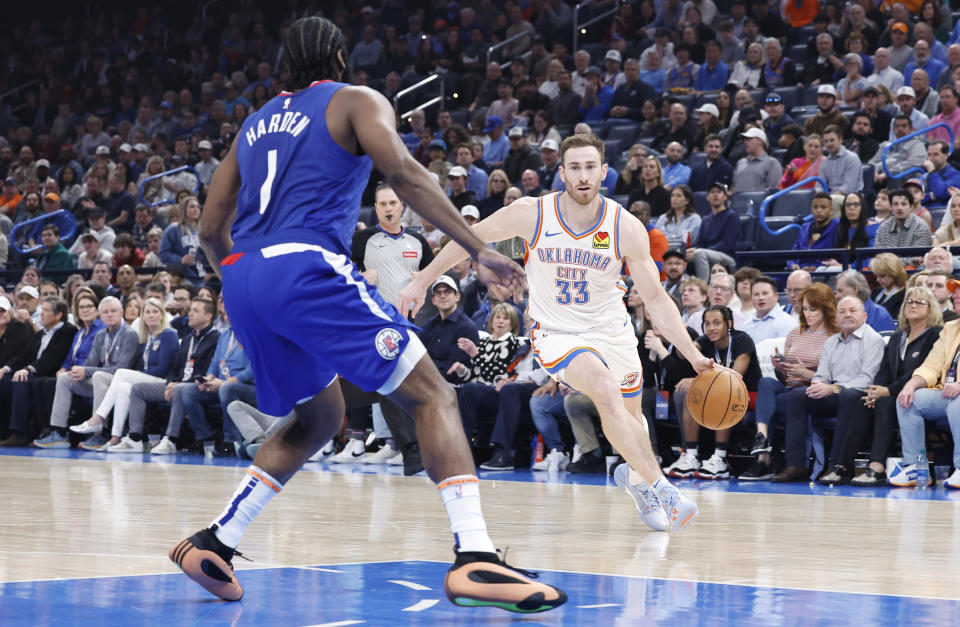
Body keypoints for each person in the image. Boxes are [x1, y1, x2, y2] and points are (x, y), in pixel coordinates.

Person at [183, 17, 565, 612]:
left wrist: (236, 279)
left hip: (244, 274)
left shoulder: (253, 124)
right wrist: (476, 247)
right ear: (339, 59)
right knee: (433, 395)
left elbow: (209, 228)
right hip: (304, 264)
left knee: (318, 418)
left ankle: (215, 540)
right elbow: (405, 175)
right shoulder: (355, 100)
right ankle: (476, 558)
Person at [401, 133, 724, 536]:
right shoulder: (532, 213)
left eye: (591, 167)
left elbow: (657, 300)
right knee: (603, 388)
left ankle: (638, 482)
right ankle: (664, 490)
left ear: (604, 172)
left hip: (612, 329)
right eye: (575, 167)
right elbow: (471, 237)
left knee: (633, 422)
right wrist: (422, 279)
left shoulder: (625, 227)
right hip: (558, 332)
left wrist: (692, 355)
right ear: (562, 173)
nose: (583, 176)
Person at [822, 286, 942, 485]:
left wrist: (886, 391)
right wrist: (874, 391)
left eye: (919, 302)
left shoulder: (935, 334)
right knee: (864, 400)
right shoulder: (898, 337)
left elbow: (923, 370)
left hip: (921, 392)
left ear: (931, 309)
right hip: (891, 393)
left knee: (885, 401)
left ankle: (877, 466)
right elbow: (884, 370)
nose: (912, 305)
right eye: (909, 301)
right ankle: (842, 466)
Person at [772, 296, 885, 482]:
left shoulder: (874, 340)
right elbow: (821, 373)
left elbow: (867, 379)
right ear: (837, 318)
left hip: (859, 395)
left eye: (852, 310)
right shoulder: (831, 342)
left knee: (848, 395)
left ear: (864, 316)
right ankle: (795, 464)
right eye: (842, 311)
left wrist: (833, 388)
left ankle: (837, 466)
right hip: (832, 392)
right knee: (797, 395)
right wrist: (818, 384)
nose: (847, 315)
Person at [68, 297, 178, 450]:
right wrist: (136, 375)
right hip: (148, 381)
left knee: (121, 373)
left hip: (164, 382)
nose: (151, 315)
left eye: (155, 311)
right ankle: (118, 438)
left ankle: (97, 418)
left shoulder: (168, 335)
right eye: (147, 312)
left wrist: (136, 374)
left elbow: (163, 369)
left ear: (162, 315)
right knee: (124, 387)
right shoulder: (147, 338)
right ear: (143, 316)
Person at [663, 306, 761, 479]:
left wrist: (696, 380)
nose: (711, 328)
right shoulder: (704, 340)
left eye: (716, 323)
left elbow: (735, 378)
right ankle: (691, 454)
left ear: (729, 324)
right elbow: (681, 354)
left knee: (725, 395)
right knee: (688, 393)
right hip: (705, 391)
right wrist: (682, 336)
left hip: (747, 393)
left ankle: (720, 458)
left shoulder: (742, 340)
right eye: (707, 324)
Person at [893, 303, 960, 488]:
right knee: (908, 400)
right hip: (945, 392)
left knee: (958, 401)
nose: (957, 297)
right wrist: (911, 385)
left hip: (957, 395)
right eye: (956, 295)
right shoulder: (951, 327)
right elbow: (932, 365)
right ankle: (915, 467)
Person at [685, 182, 737, 280]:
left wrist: (699, 250)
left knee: (699, 253)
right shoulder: (706, 219)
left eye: (719, 192)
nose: (715, 194)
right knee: (685, 254)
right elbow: (700, 243)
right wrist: (692, 250)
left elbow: (727, 244)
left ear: (725, 197)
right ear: (707, 197)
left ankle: (704, 287)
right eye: (712, 192)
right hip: (707, 254)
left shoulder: (731, 215)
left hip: (727, 256)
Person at [741, 276, 798, 343]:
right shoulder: (745, 326)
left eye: (765, 293)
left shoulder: (788, 322)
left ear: (776, 296)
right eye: (756, 294)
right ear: (751, 298)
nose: (760, 298)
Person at [731, 128, 782, 192]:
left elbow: (773, 190)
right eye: (745, 139)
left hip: (759, 201)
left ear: (760, 141)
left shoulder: (772, 163)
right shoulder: (740, 162)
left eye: (749, 139)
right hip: (738, 201)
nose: (745, 142)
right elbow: (733, 187)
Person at [869, 253, 908, 319]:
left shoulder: (905, 294)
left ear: (894, 273)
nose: (877, 280)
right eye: (876, 275)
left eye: (882, 276)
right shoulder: (876, 291)